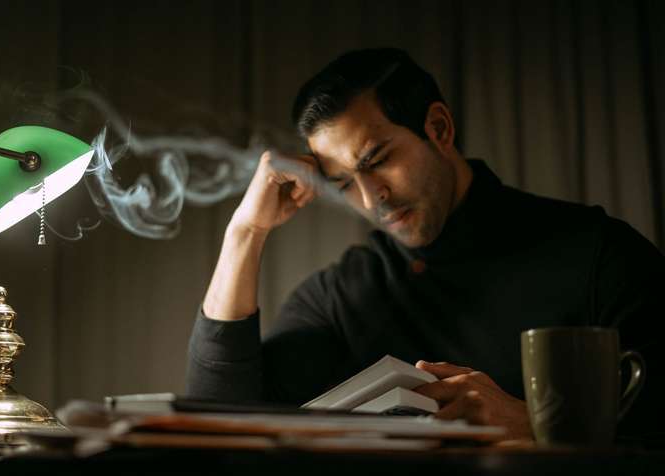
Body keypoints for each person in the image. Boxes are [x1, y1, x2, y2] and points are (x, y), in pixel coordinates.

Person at [185, 48, 664, 442]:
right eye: (344, 183)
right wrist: (244, 234)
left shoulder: (598, 251)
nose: (372, 198)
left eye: (378, 160)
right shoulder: (343, 295)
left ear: (439, 128)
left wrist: (536, 426)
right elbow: (217, 421)